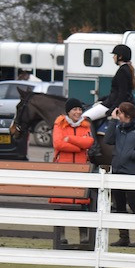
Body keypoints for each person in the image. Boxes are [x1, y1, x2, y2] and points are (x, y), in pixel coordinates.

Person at [104, 101, 135, 248]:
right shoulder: (119, 127)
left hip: (132, 173)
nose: (117, 116)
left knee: (134, 204)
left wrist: (132, 154)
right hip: (118, 171)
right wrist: (113, 122)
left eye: (119, 114)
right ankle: (124, 237)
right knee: (119, 205)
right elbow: (108, 140)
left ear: (126, 115)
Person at [50, 98, 95, 245]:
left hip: (81, 169)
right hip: (63, 169)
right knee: (62, 202)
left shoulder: (85, 125)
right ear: (68, 111)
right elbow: (58, 143)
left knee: (82, 203)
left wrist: (70, 139)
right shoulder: (59, 124)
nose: (78, 112)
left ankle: (83, 237)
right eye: (75, 109)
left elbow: (89, 142)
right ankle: (60, 236)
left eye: (80, 109)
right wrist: (78, 146)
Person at [82, 44, 135, 129]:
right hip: (112, 101)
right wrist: (103, 99)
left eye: (115, 55)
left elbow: (122, 94)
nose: (113, 57)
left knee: (84, 118)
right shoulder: (126, 69)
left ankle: (94, 142)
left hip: (113, 104)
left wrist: (113, 109)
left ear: (120, 57)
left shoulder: (122, 71)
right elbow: (117, 92)